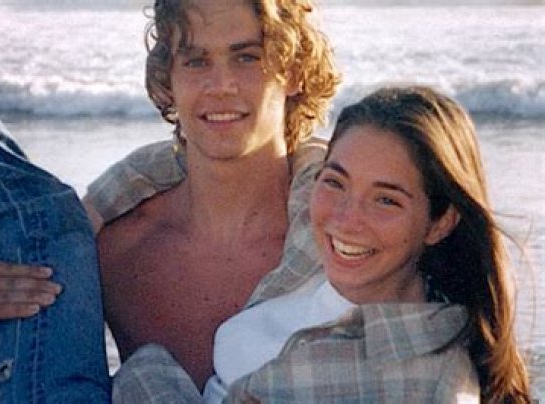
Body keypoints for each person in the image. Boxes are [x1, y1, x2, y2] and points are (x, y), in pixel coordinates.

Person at [0, 0, 338, 400]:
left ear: (293, 71)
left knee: (39, 228)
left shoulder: (345, 245)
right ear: (169, 78)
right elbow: (14, 383)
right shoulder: (115, 249)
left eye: (247, 57)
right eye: (195, 60)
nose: (220, 85)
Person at [109, 87, 533, 402]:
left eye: (386, 200)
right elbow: (204, 153)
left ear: (440, 222)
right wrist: (92, 209)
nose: (346, 220)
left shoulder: (427, 381)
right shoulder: (310, 242)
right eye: (336, 181)